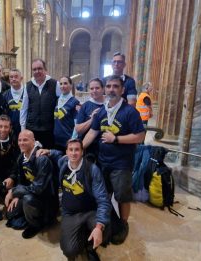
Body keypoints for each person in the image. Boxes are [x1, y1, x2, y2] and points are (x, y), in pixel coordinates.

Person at [82, 75, 146, 244]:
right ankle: (108, 219)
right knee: (104, 194)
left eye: (115, 86)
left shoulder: (130, 111)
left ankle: (124, 224)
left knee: (121, 196)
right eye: (109, 86)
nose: (111, 89)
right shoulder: (103, 110)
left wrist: (116, 139)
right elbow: (92, 132)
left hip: (121, 163)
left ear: (122, 90)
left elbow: (140, 136)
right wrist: (77, 148)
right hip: (103, 162)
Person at [58, 139, 111, 261]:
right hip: (70, 213)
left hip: (90, 211)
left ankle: (90, 248)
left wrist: (98, 227)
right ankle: (82, 235)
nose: (73, 153)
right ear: (66, 152)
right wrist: (47, 151)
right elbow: (56, 154)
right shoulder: (62, 164)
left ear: (82, 152)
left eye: (77, 149)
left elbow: (103, 200)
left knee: (105, 227)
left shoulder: (92, 169)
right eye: (70, 150)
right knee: (69, 250)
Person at [5, 130, 57, 239]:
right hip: (29, 192)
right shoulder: (21, 157)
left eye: (25, 140)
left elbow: (38, 189)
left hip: (45, 199)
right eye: (19, 140)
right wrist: (17, 196)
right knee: (10, 214)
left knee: (28, 199)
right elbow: (21, 179)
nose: (21, 143)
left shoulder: (42, 159)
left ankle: (37, 225)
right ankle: (30, 214)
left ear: (33, 141)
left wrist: (14, 191)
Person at [19, 59, 59, 148]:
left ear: (45, 69)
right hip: (32, 129)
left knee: (47, 156)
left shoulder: (55, 84)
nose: (37, 71)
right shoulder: (28, 85)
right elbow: (24, 108)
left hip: (49, 129)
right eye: (34, 69)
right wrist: (23, 129)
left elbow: (64, 99)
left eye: (40, 68)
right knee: (32, 155)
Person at [75, 78, 105, 161]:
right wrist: (92, 120)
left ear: (103, 89)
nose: (94, 91)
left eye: (97, 88)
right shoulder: (85, 106)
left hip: (104, 148)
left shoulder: (109, 106)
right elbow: (78, 129)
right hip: (87, 147)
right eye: (91, 88)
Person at [54, 77, 80, 152]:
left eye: (65, 83)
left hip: (67, 140)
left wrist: (73, 139)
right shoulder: (57, 100)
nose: (62, 86)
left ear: (71, 85)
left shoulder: (75, 102)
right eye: (61, 84)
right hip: (56, 139)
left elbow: (77, 123)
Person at [2, 68, 24, 139]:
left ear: (21, 78)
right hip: (11, 130)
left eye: (16, 77)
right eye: (11, 77)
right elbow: (4, 114)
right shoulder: (5, 95)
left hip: (25, 128)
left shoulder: (27, 93)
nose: (13, 79)